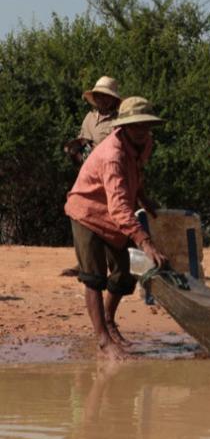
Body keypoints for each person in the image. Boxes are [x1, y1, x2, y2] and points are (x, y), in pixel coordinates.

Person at [64, 97, 169, 360]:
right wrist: (146, 242)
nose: (142, 130)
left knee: (126, 271)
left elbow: (136, 173)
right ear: (124, 126)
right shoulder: (113, 155)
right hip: (88, 212)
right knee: (94, 277)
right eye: (136, 125)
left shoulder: (145, 143)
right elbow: (120, 208)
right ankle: (103, 340)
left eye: (145, 125)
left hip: (114, 214)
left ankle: (109, 322)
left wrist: (142, 197)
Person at [64, 76, 123, 164]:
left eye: (106, 96)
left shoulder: (118, 121)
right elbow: (82, 139)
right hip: (88, 167)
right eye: (99, 95)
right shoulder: (90, 117)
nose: (102, 99)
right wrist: (74, 147)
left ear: (113, 99)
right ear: (95, 97)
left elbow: (120, 149)